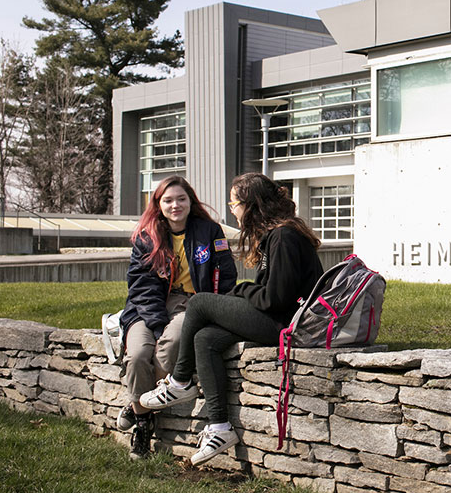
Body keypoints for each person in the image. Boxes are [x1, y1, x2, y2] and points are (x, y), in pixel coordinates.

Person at [140, 172, 323, 466]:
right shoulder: (276, 235)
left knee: (199, 303)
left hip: (288, 325)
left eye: (234, 203)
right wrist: (247, 294)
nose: (232, 209)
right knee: (206, 338)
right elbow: (271, 293)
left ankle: (180, 381)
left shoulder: (284, 237)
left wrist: (242, 290)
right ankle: (220, 428)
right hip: (280, 318)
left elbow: (275, 299)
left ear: (251, 205)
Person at [117, 175, 236, 459]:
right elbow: (142, 288)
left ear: (190, 201)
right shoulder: (147, 237)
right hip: (146, 307)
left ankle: (138, 406)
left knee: (169, 350)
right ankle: (143, 419)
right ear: (158, 204)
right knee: (136, 355)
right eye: (167, 200)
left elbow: (227, 273)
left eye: (181, 199)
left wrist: (216, 306)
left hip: (193, 303)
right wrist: (157, 325)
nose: (175, 205)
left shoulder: (209, 230)